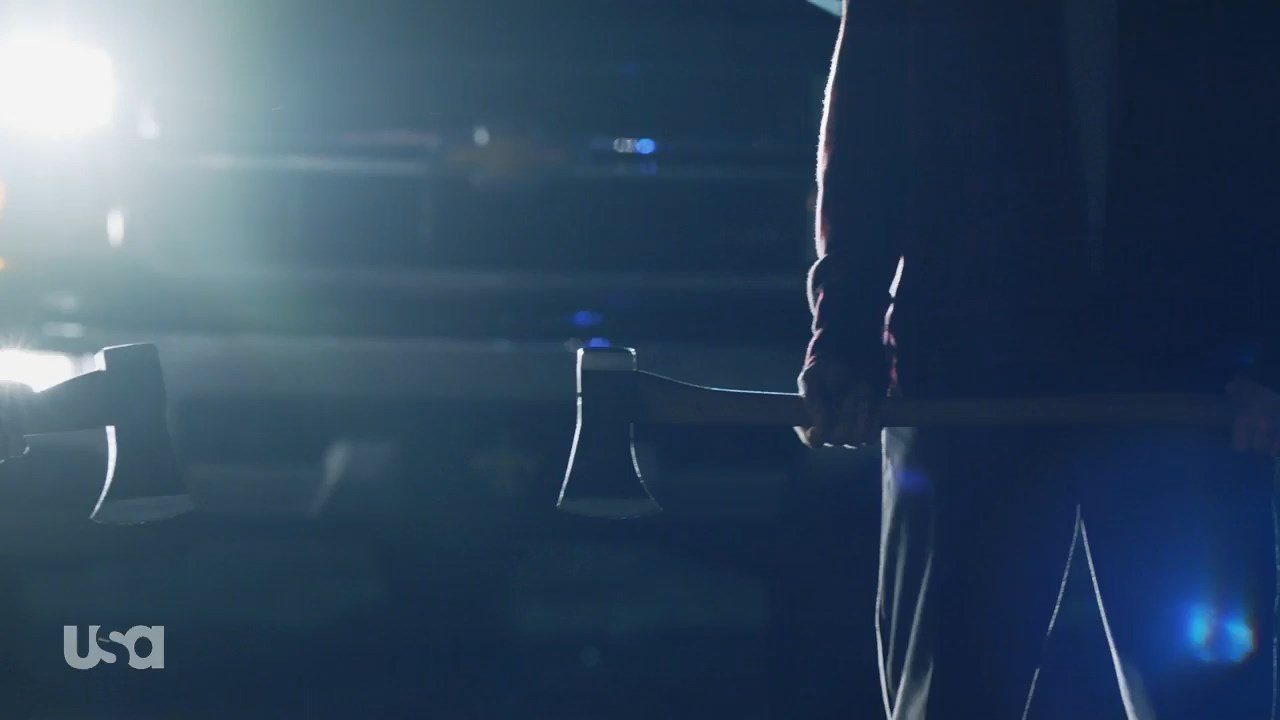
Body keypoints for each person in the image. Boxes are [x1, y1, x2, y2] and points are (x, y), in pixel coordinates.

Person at [797, 1, 1279, 717]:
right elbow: (871, 130)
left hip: (1171, 376)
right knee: (957, 693)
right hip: (1006, 371)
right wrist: (843, 338)